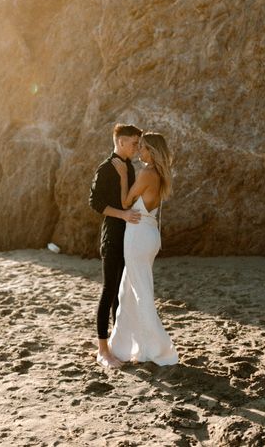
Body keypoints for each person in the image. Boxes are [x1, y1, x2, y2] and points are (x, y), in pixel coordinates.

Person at [108, 132, 178, 366]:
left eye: (145, 148)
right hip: (148, 235)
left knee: (140, 293)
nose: (140, 151)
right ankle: (123, 347)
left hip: (138, 237)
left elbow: (126, 202)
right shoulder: (159, 173)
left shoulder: (148, 172)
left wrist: (121, 177)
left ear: (153, 151)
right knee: (127, 292)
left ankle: (159, 351)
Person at [89, 123, 143, 368]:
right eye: (133, 143)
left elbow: (129, 199)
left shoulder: (129, 167)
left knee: (121, 295)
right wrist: (122, 215)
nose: (136, 148)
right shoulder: (106, 168)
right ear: (120, 142)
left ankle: (117, 345)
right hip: (112, 238)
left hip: (128, 238)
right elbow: (95, 203)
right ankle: (102, 351)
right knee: (109, 291)